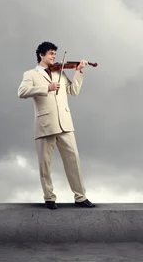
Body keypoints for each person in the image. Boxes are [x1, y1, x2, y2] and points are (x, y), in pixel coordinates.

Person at [17, 41, 95, 210]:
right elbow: (21, 92)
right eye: (51, 53)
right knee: (44, 165)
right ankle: (49, 197)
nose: (54, 56)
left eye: (54, 54)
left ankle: (80, 197)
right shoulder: (30, 74)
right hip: (45, 125)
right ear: (41, 55)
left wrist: (79, 72)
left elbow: (73, 91)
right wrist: (47, 87)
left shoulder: (59, 72)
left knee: (74, 161)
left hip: (65, 124)